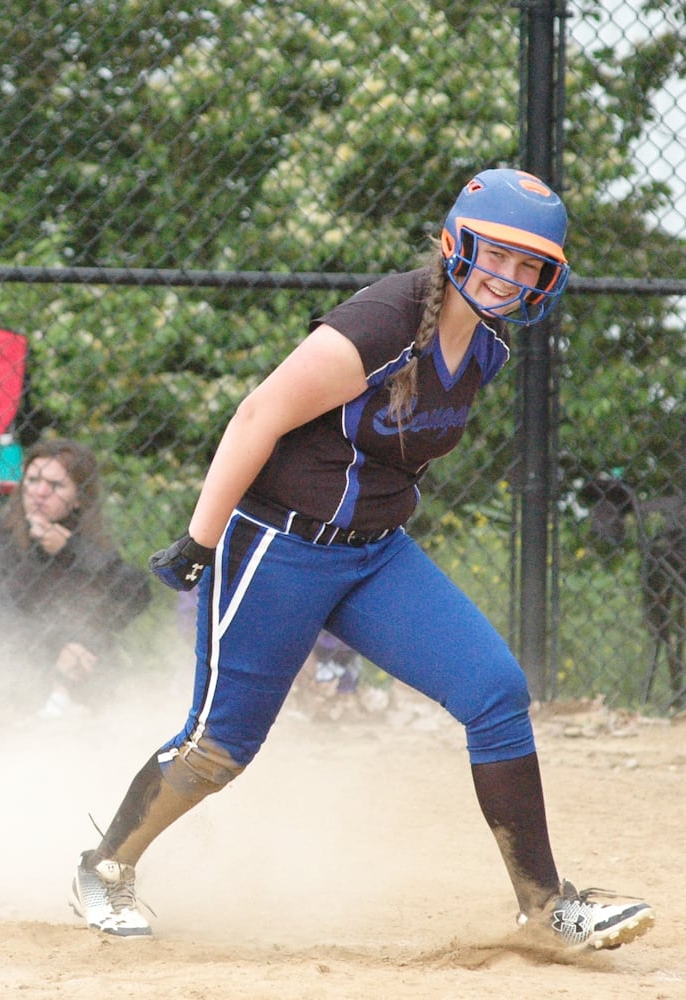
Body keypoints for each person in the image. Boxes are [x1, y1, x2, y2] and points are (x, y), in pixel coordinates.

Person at [68, 169, 655, 951]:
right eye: (497, 255)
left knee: (494, 692)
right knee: (219, 745)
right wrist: (200, 540)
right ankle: (104, 868)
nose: (509, 277)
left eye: (530, 266)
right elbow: (258, 413)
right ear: (455, 243)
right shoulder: (380, 321)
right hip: (279, 547)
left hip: (375, 555)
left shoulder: (487, 343)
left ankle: (546, 907)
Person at [0, 438, 151, 718]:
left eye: (56, 486)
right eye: (33, 480)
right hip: (12, 670)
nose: (40, 492)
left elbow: (135, 594)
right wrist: (54, 651)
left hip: (80, 672)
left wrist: (74, 551)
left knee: (95, 640)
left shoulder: (85, 545)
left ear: (79, 498)